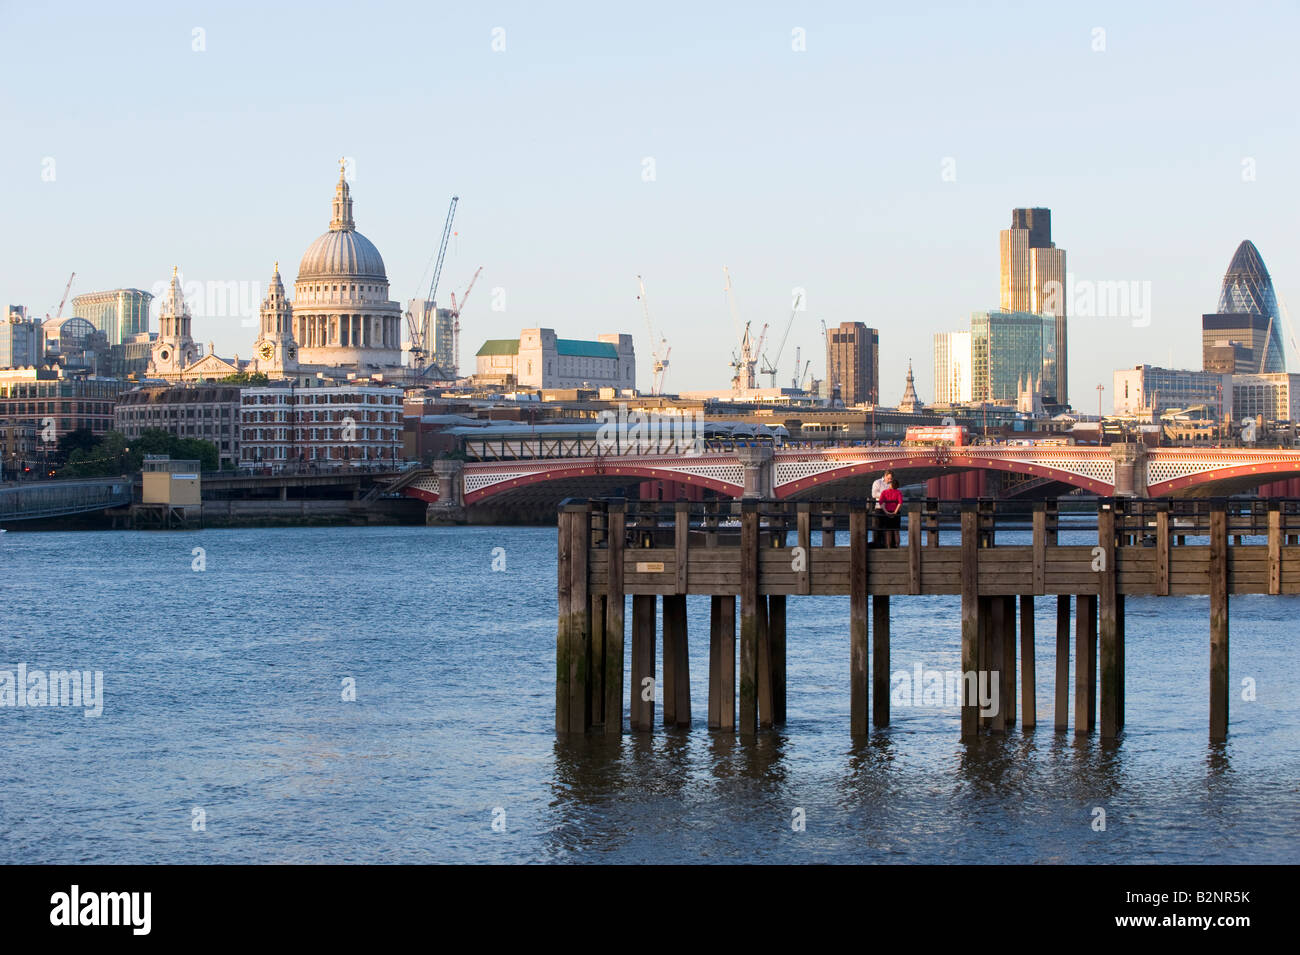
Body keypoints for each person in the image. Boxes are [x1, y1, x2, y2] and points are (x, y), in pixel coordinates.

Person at [878, 474, 903, 548]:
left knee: (888, 531)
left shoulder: (884, 492)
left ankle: (888, 546)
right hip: (896, 513)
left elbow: (881, 502)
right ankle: (897, 545)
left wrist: (885, 511)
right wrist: (895, 511)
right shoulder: (898, 492)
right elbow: (900, 502)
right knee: (896, 531)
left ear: (891, 485)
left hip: (887, 512)